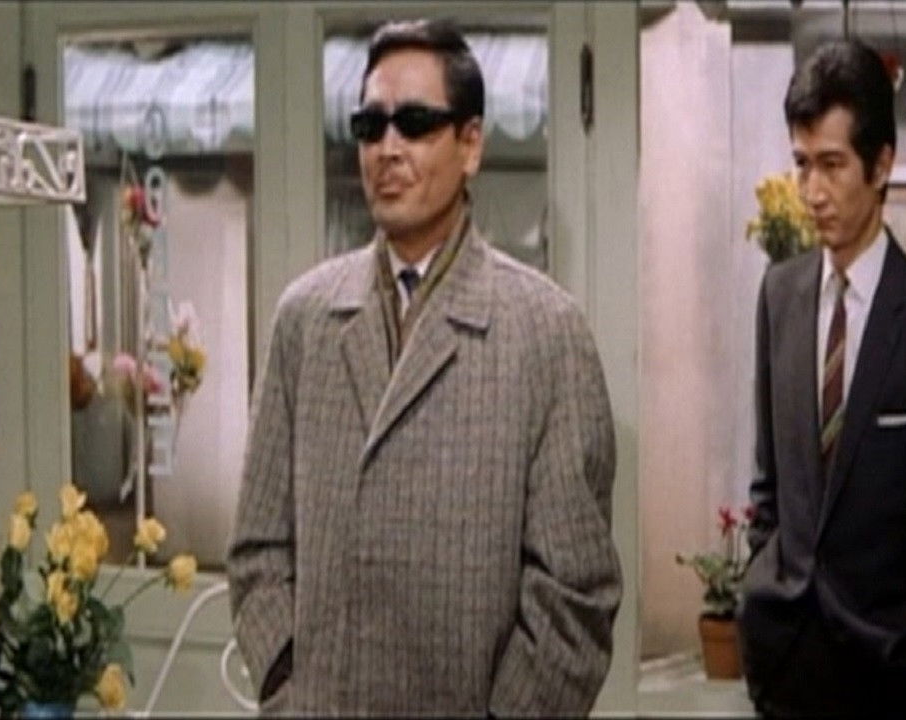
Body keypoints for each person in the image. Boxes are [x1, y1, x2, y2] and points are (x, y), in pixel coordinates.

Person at [226, 19, 621, 716]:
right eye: (370, 126)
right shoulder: (305, 320)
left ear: (471, 145)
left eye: (414, 124)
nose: (388, 149)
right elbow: (258, 550)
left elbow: (574, 594)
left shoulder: (546, 335)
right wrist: (289, 687)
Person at [738, 40, 906, 718]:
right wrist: (762, 586)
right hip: (786, 664)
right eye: (801, 164)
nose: (811, 193)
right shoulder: (779, 295)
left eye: (832, 165)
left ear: (882, 165)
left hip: (891, 670)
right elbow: (770, 483)